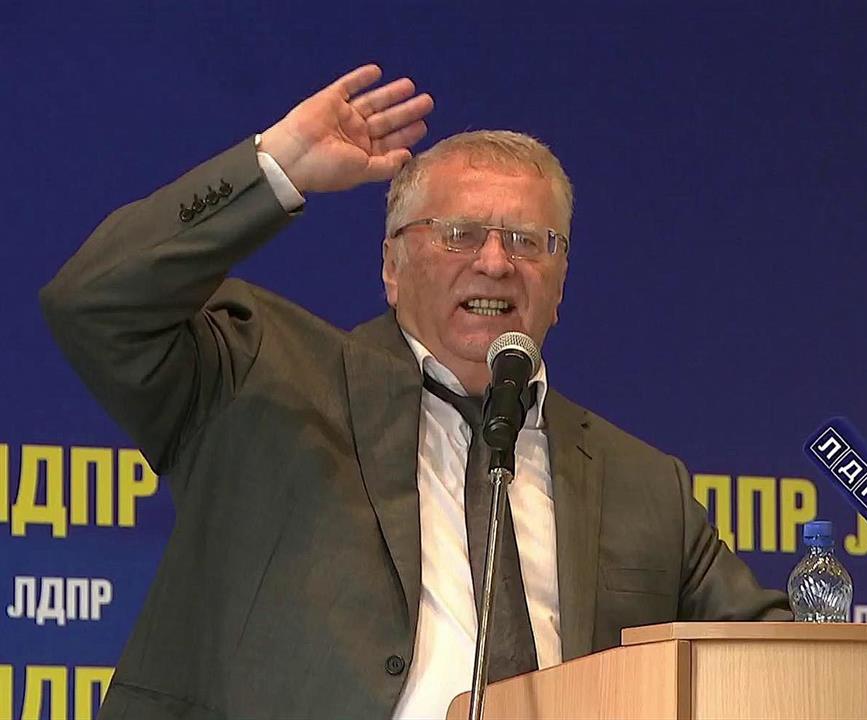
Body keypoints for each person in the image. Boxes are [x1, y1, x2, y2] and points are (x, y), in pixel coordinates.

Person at [40, 64, 789, 719]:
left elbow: (780, 664)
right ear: (391, 267)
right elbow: (92, 303)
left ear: (561, 283)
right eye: (459, 234)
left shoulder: (643, 486)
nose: (495, 262)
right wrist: (276, 167)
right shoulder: (260, 375)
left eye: (528, 241)